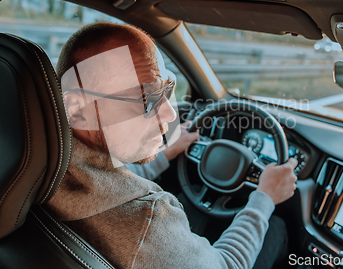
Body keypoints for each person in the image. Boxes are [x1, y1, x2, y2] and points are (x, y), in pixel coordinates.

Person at [46, 22, 298, 269]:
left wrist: (166, 154)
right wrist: (264, 198)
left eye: (167, 89)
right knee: (277, 228)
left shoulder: (42, 158)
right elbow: (228, 264)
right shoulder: (147, 221)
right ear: (78, 110)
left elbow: (110, 181)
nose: (168, 113)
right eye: (147, 98)